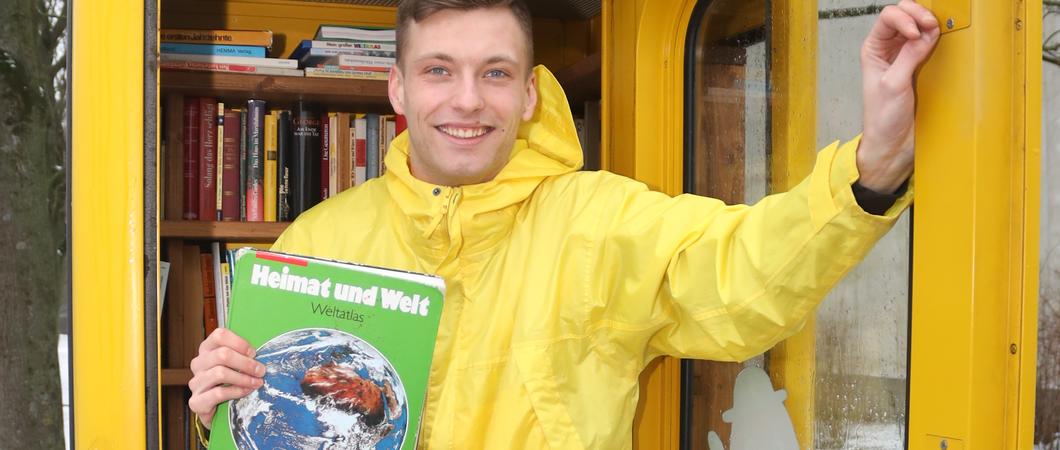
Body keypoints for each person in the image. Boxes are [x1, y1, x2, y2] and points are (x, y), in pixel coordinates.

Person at [188, 0, 940, 448]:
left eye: (495, 73)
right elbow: (272, 429)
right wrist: (219, 409)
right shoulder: (317, 243)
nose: (467, 101)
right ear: (398, 89)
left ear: (529, 96)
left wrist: (873, 163)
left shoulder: (601, 220)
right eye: (439, 70)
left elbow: (743, 274)